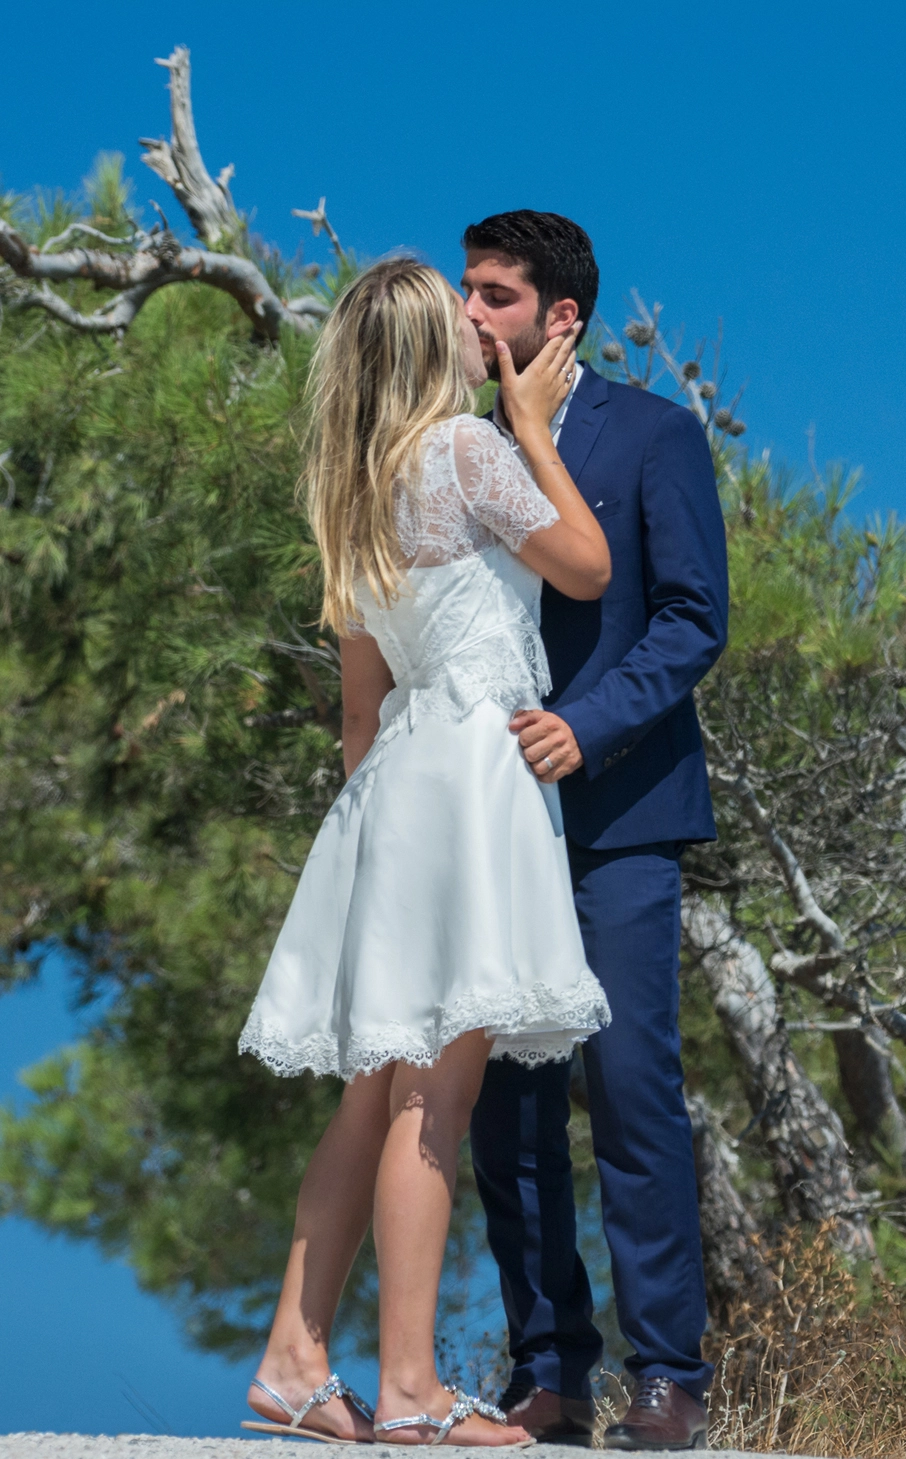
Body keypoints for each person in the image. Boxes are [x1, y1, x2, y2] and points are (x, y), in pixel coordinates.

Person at [236, 256, 615, 1446]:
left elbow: (358, 716)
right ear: (422, 351)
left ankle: (294, 1356)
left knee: (370, 1090)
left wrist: (370, 862)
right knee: (434, 1096)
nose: (477, 327)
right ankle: (408, 1391)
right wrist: (535, 428)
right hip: (467, 770)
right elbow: (587, 566)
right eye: (459, 319)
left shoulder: (353, 494)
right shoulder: (463, 452)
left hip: (393, 781)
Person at [460, 211, 731, 1452]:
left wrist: (587, 723)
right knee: (506, 1107)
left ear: (559, 317)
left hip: (623, 811)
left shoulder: (657, 435)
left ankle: (668, 1376)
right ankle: (548, 1377)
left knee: (630, 1090)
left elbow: (689, 617)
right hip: (491, 816)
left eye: (496, 297)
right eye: (467, 291)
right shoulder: (454, 445)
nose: (472, 314)